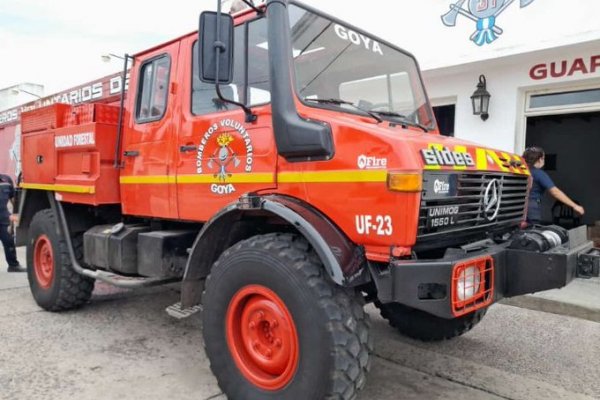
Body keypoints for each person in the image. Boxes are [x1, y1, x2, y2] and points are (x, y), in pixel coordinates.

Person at [522, 146, 584, 225]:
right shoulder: (539, 173)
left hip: (515, 208)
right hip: (531, 209)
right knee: (530, 234)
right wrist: (575, 206)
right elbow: (555, 192)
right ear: (540, 159)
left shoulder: (520, 171)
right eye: (544, 158)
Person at [0, 173, 24, 272]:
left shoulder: (6, 179)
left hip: (4, 218)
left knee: (9, 242)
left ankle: (13, 265)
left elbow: (14, 199)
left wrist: (18, 214)